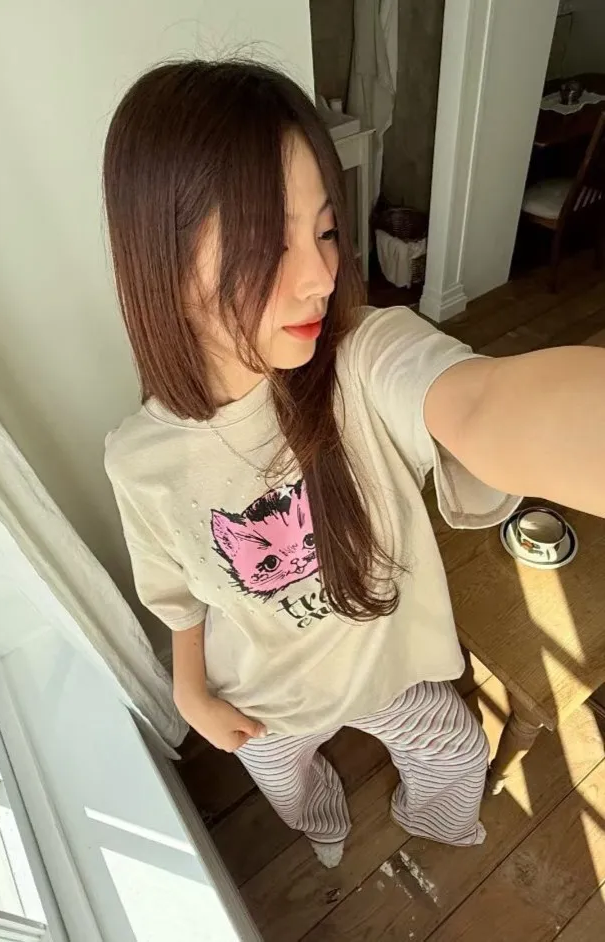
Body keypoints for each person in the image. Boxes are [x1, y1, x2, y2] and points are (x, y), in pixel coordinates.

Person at [103, 60, 605, 869]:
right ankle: (325, 825)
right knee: (290, 789)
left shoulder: (363, 360)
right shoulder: (140, 461)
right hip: (261, 699)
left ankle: (430, 822)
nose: (319, 276)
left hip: (383, 673)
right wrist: (191, 691)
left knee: (456, 751)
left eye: (327, 230)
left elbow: (482, 403)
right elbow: (176, 592)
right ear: (160, 256)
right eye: (269, 241)